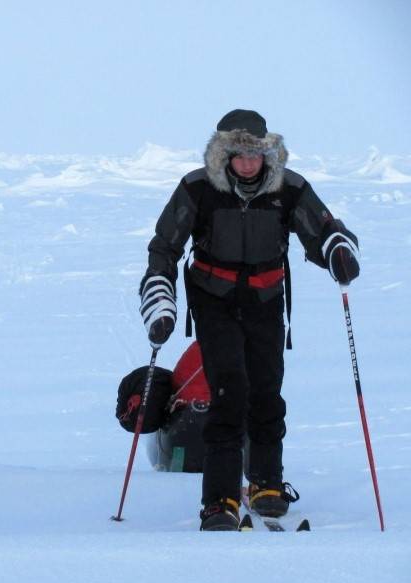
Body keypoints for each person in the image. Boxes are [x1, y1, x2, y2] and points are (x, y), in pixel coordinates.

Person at [138, 109, 360, 531]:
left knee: (266, 388)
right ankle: (219, 498)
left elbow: (324, 230)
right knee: (229, 389)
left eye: (255, 154)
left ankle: (265, 483)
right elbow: (164, 248)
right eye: (239, 154)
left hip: (265, 299)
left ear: (267, 153)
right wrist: (161, 300)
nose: (248, 163)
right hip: (213, 299)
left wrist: (337, 252)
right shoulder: (197, 189)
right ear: (224, 154)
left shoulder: (288, 188)